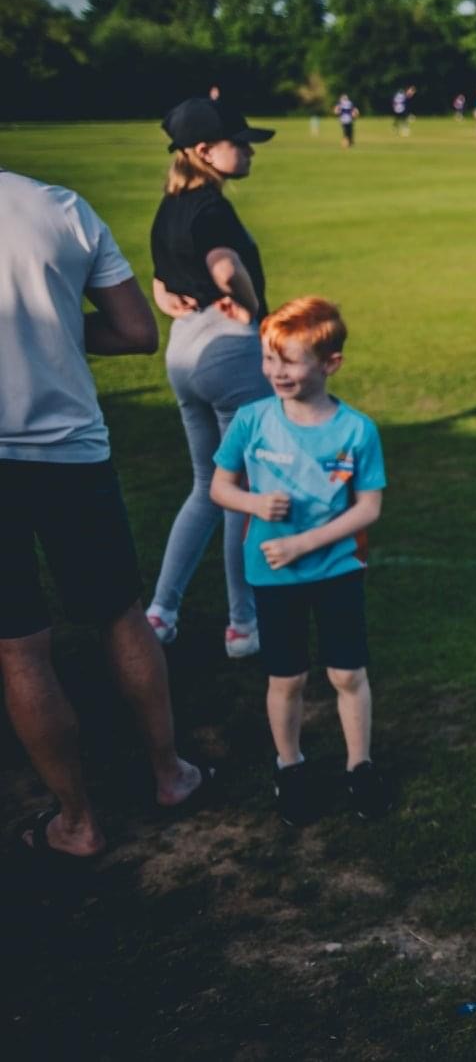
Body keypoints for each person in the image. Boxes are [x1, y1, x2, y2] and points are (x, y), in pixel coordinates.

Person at [1, 167, 212, 862]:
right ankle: (169, 774)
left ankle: (77, 821)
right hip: (70, 451)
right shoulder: (60, 207)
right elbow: (133, 331)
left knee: (20, 645)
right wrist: (56, 328)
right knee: (120, 614)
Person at [209, 297, 390, 824]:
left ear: (330, 363)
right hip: (272, 575)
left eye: (289, 360)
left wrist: (303, 545)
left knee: (346, 674)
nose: (276, 372)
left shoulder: (357, 430)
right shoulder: (251, 421)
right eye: (270, 359)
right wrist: (253, 503)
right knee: (285, 679)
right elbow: (219, 486)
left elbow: (369, 508)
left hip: (336, 571)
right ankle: (290, 768)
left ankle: (361, 768)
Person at [146, 96, 277, 657]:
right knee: (240, 487)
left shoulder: (168, 207)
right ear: (204, 151)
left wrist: (177, 300)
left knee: (207, 484)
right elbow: (226, 267)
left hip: (183, 353)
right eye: (238, 141)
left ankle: (160, 611)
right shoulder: (211, 207)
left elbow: (158, 284)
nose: (247, 149)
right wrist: (254, 312)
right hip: (228, 353)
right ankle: (243, 624)